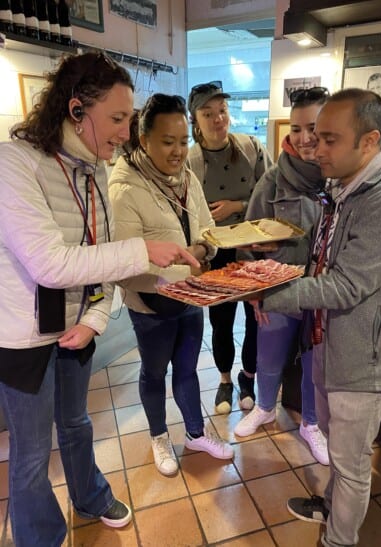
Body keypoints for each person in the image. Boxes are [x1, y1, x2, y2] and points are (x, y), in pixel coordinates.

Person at [0, 52, 199, 547]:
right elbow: (51, 262)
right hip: (21, 336)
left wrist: (92, 318)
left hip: (75, 329)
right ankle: (41, 537)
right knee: (29, 455)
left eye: (129, 119)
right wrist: (143, 251)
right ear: (75, 111)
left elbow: (100, 259)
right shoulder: (13, 164)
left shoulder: (94, 170)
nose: (126, 133)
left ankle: (89, 494)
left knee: (76, 422)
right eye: (117, 118)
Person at [258, 88, 381, 547]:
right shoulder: (345, 184)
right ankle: (330, 506)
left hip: (368, 355)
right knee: (330, 435)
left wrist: (266, 293)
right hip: (330, 339)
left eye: (329, 140)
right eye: (314, 137)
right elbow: (322, 261)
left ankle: (338, 540)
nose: (315, 149)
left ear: (369, 141)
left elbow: (346, 284)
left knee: (350, 462)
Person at [108, 94, 234, 477]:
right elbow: (126, 264)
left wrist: (200, 249)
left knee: (187, 368)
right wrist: (189, 260)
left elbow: (206, 233)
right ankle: (159, 436)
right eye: (167, 142)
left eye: (183, 141)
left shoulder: (187, 177)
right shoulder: (124, 187)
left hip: (190, 297)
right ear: (144, 140)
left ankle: (195, 432)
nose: (178, 151)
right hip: (151, 304)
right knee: (154, 372)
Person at [234, 87, 329, 465]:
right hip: (278, 291)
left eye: (314, 128)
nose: (305, 138)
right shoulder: (273, 181)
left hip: (324, 293)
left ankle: (311, 423)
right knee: (268, 356)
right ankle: (264, 408)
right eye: (296, 128)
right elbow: (247, 237)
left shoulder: (338, 178)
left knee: (315, 363)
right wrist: (256, 293)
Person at [187, 80, 273, 414]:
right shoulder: (191, 160)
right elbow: (186, 209)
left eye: (221, 111)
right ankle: (224, 380)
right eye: (208, 113)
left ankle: (247, 377)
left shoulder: (251, 147)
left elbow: (268, 196)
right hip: (215, 251)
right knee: (220, 320)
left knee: (255, 317)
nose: (217, 119)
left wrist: (236, 206)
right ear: (196, 119)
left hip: (252, 247)